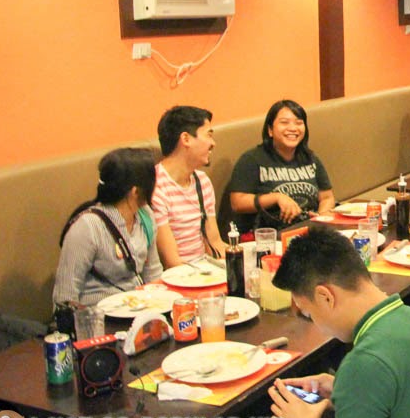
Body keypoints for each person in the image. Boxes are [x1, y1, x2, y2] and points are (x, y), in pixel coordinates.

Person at [267, 226, 410, 418]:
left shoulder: (364, 365)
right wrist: (345, 391)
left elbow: (372, 374)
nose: (315, 324)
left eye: (308, 314)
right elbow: (404, 396)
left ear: (325, 296)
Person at [53, 148, 162, 306]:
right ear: (135, 192)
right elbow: (64, 296)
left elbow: (153, 272)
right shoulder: (87, 227)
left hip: (139, 308)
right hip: (98, 313)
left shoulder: (146, 216)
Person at [227, 100, 335, 234]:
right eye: (284, 122)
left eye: (299, 123)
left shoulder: (310, 159)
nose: (293, 128)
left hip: (309, 232)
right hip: (268, 235)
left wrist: (321, 216)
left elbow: (327, 197)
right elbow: (237, 203)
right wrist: (276, 197)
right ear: (270, 130)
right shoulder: (252, 159)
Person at [152, 105, 226, 267]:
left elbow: (215, 243)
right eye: (209, 135)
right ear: (186, 139)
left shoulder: (202, 181)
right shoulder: (156, 187)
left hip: (207, 269)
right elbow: (172, 262)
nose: (213, 143)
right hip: (179, 275)